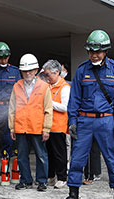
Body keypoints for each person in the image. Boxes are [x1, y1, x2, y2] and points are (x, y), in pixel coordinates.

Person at [56, 29, 114, 199]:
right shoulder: (82, 70)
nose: (94, 55)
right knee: (77, 159)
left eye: (98, 51)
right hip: (84, 121)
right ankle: (73, 196)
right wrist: (72, 121)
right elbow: (74, 99)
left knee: (112, 158)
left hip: (106, 121)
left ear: (106, 51)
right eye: (91, 51)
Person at [8, 54, 53, 191]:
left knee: (41, 156)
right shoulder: (17, 86)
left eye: (30, 70)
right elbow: (12, 108)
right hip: (21, 127)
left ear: (35, 70)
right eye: (24, 71)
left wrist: (46, 128)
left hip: (37, 127)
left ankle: (41, 181)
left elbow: (48, 110)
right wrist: (12, 128)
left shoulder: (44, 86)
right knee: (21, 156)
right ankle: (26, 180)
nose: (27, 73)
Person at [42, 59, 70, 189]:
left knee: (59, 153)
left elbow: (65, 107)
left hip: (58, 126)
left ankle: (62, 177)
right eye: (46, 75)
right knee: (49, 153)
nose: (47, 77)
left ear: (57, 72)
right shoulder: (48, 86)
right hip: (47, 126)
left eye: (49, 74)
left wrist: (48, 103)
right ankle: (50, 177)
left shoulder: (65, 87)